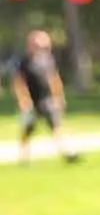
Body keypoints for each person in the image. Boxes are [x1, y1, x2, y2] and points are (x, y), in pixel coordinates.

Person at [9, 30, 82, 165]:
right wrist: (23, 99)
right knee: (28, 129)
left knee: (56, 126)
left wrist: (59, 96)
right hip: (31, 101)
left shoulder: (47, 60)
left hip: (47, 100)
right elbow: (19, 82)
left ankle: (66, 153)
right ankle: (23, 157)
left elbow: (54, 78)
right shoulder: (23, 62)